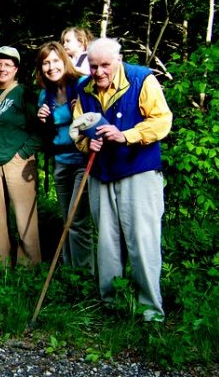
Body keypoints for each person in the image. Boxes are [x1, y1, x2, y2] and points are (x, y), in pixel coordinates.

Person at [72, 38, 172, 321]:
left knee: (142, 241)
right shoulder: (83, 88)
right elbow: (77, 129)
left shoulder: (142, 79)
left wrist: (125, 135)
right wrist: (84, 143)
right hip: (101, 173)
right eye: (93, 66)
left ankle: (151, 311)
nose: (99, 72)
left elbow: (162, 121)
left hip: (138, 171)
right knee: (107, 243)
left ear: (118, 60)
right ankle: (111, 307)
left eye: (105, 65)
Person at [0, 46, 42, 267]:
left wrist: (23, 153)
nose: (2, 68)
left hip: (18, 162)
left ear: (15, 69)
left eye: (7, 64)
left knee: (24, 217)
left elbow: (40, 129)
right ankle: (1, 264)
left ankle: (29, 267)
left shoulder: (24, 93)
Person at [35, 42, 94, 273]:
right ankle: (71, 271)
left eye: (55, 61)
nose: (51, 67)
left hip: (82, 160)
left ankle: (84, 274)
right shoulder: (44, 95)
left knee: (77, 220)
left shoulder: (81, 85)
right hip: (61, 162)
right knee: (67, 220)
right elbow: (46, 135)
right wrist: (42, 120)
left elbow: (95, 118)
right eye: (46, 63)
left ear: (65, 61)